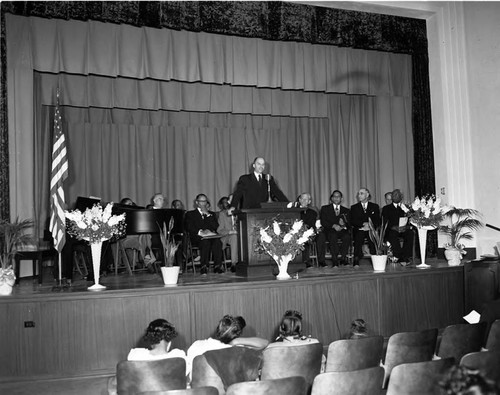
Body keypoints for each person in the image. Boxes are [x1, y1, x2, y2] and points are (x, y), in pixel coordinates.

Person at [107, 318, 186, 395]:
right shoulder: (179, 357)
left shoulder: (136, 356)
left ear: (150, 342)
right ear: (170, 342)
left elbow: (120, 382)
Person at [186, 315, 269, 378]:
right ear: (237, 335)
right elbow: (265, 343)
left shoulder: (196, 345)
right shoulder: (238, 349)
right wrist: (237, 341)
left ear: (218, 329)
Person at [184, 193, 224, 274]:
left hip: (210, 236)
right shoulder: (190, 214)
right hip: (197, 237)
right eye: (201, 201)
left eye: (205, 201)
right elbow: (189, 227)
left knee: (217, 242)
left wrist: (208, 215)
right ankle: (204, 266)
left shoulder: (211, 214)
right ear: (197, 202)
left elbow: (216, 227)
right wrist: (201, 232)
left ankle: (217, 266)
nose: (203, 203)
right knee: (205, 242)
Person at [316, 190, 351, 267]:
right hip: (329, 230)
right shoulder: (325, 208)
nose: (336, 198)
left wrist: (343, 225)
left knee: (347, 237)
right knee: (333, 236)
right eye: (334, 196)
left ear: (341, 199)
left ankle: (343, 259)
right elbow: (323, 222)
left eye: (338, 197)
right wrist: (333, 226)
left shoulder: (346, 210)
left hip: (341, 230)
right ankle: (335, 260)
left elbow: (349, 224)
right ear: (331, 198)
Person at [350, 188, 381, 266]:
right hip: (359, 229)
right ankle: (356, 258)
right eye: (358, 194)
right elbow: (352, 221)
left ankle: (375, 258)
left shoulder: (374, 206)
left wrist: (369, 225)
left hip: (370, 229)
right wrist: (363, 224)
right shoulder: (354, 207)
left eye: (361, 193)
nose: (359, 195)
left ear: (367, 195)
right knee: (358, 236)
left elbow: (377, 220)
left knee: (372, 237)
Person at [382, 189, 413, 264]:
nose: (394, 197)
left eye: (397, 195)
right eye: (393, 195)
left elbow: (410, 220)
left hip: (404, 229)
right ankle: (399, 255)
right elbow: (384, 222)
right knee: (392, 234)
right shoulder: (386, 208)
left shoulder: (406, 207)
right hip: (392, 229)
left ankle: (406, 256)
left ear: (401, 197)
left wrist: (406, 227)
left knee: (410, 233)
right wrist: (394, 227)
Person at [289, 193, 318, 267]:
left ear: (309, 201)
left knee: (305, 238)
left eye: (306, 199)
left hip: (307, 232)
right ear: (299, 200)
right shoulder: (293, 211)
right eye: (302, 199)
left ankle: (306, 261)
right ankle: (293, 261)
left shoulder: (313, 212)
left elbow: (311, 225)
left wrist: (305, 232)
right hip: (296, 232)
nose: (304, 201)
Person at [217, 196, 238, 268]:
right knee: (234, 237)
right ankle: (234, 264)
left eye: (227, 202)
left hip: (240, 235)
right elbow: (220, 230)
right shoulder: (222, 214)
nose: (226, 204)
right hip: (226, 236)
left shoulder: (239, 212)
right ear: (221, 205)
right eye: (224, 203)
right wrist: (230, 232)